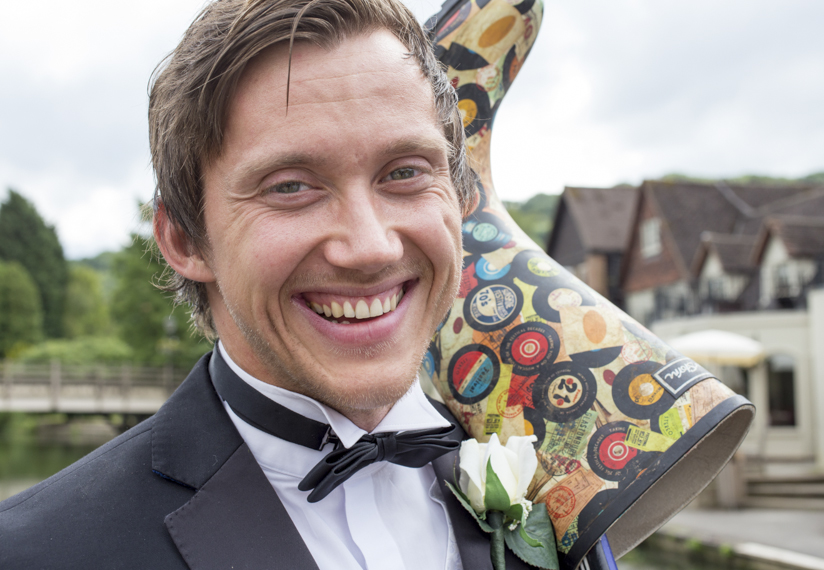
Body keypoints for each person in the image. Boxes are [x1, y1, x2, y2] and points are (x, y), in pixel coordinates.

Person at [0, 0, 534, 568]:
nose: (372, 246)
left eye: (404, 172)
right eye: (290, 187)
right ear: (184, 240)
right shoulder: (33, 551)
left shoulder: (562, 479)